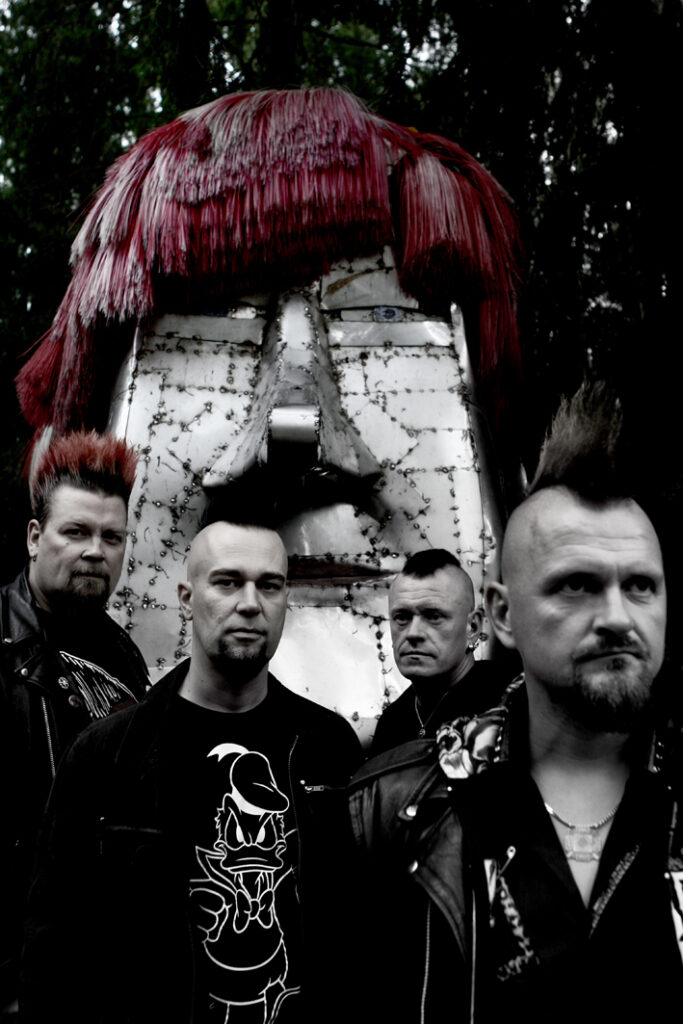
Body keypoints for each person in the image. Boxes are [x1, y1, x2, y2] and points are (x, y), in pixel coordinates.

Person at [347, 384, 683, 1023]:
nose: (618, 617)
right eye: (576, 585)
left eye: (641, 586)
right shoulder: (394, 810)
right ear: (503, 616)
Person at [22, 518, 362, 1024]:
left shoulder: (327, 747)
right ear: (186, 598)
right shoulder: (107, 756)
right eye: (227, 582)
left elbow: (359, 934)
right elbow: (52, 954)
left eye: (269, 585)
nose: (250, 603)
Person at [0, 429, 148, 1019]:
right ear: (35, 538)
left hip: (99, 967)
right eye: (76, 532)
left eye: (112, 537)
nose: (95, 551)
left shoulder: (124, 656)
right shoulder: (3, 642)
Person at [370, 548, 505, 755]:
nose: (413, 633)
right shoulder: (392, 724)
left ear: (473, 627)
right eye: (402, 617)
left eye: (433, 616)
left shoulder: (511, 704)